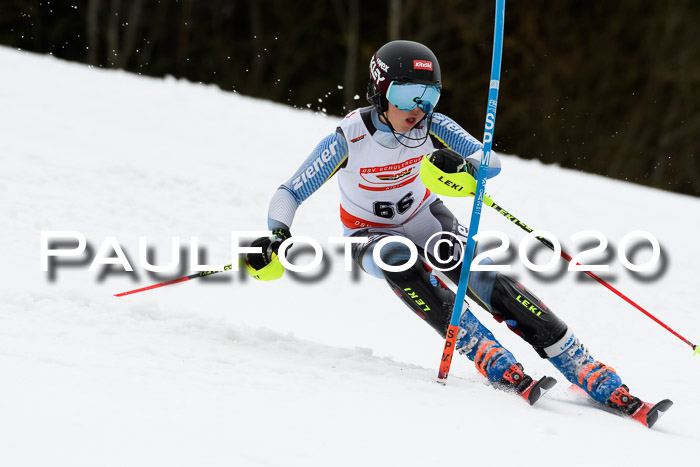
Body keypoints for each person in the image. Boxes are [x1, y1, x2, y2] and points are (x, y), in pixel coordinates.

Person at [245, 40, 645, 416]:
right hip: (368, 234)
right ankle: (482, 349)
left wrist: (465, 164)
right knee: (398, 259)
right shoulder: (347, 139)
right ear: (380, 91)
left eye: (429, 96)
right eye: (406, 96)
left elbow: (490, 163)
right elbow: (290, 191)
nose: (418, 108)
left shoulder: (433, 125)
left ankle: (578, 361)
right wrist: (278, 235)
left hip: (425, 219)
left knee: (481, 276)